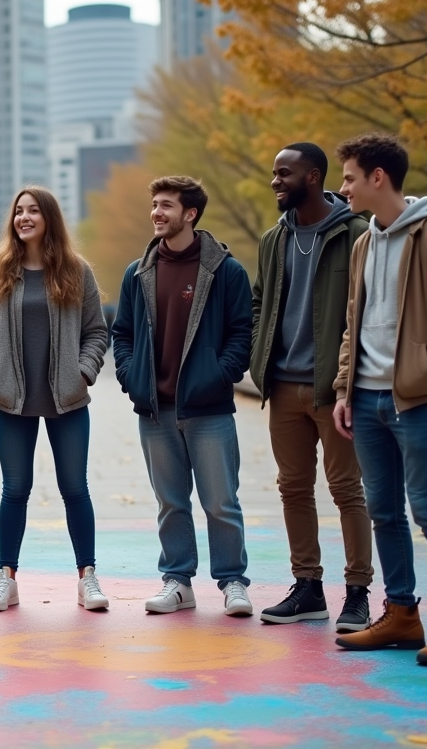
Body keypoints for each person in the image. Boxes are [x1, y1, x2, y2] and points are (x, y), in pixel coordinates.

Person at [331, 134, 427, 665]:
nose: (343, 187)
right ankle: (401, 614)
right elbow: (354, 325)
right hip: (369, 401)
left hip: (419, 401)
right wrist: (344, 388)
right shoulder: (364, 242)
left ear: (379, 178)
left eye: (350, 177)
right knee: (384, 511)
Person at [111, 176, 255, 617]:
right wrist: (131, 376)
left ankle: (232, 582)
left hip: (209, 409)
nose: (156, 212)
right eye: (154, 204)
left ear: (190, 214)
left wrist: (218, 375)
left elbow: (241, 333)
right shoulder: (138, 272)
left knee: (220, 502)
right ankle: (178, 581)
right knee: (170, 503)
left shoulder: (225, 271)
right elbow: (123, 334)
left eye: (166, 205)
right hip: (155, 410)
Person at [0, 186, 111, 612]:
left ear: (49, 218)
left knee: (75, 489)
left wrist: (82, 372)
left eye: (32, 211)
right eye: (18, 212)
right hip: (12, 401)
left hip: (67, 400)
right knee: (15, 489)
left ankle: (87, 577)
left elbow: (96, 331)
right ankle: (5, 578)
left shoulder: (76, 271)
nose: (24, 218)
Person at [250, 143, 375, 632]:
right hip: (283, 387)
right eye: (274, 173)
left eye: (285, 173)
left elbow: (366, 310)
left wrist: (349, 383)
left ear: (314, 176)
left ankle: (359, 593)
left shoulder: (357, 234)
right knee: (293, 489)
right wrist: (264, 361)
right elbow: (260, 302)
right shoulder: (272, 240)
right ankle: (308, 588)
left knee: (347, 490)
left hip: (335, 390)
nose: (276, 181)